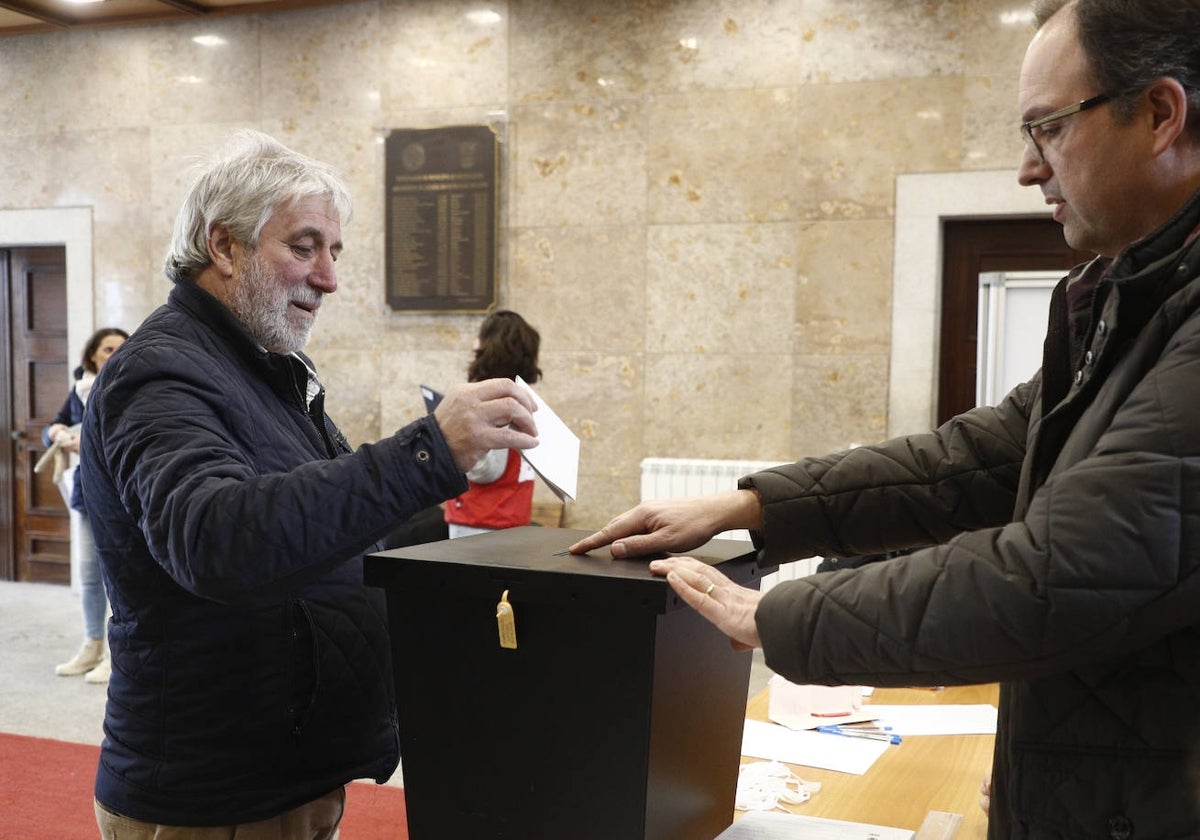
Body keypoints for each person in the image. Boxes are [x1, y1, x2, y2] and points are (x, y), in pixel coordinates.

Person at [572, 1, 1200, 835]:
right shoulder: (1127, 297)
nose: (1027, 168)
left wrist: (772, 618)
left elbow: (1058, 573)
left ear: (1160, 114)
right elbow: (977, 458)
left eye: (1046, 128)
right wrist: (755, 505)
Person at [79, 130, 538, 838]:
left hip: (288, 768)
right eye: (304, 246)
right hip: (217, 794)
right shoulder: (159, 371)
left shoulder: (265, 368)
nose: (328, 278)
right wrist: (426, 453)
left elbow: (341, 522)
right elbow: (216, 539)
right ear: (224, 247)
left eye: (334, 252)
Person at [43, 327, 128, 685]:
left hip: (121, 493)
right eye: (107, 349)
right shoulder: (80, 389)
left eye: (120, 349)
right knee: (90, 575)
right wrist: (60, 434)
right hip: (85, 491)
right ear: (92, 354)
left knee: (118, 576)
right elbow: (53, 425)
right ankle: (92, 644)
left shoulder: (131, 385)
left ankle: (116, 654)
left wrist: (87, 441)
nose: (113, 355)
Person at [445, 309, 543, 538]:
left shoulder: (494, 400)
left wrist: (448, 447)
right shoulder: (520, 396)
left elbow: (487, 470)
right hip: (510, 516)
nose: (474, 343)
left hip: (481, 520)